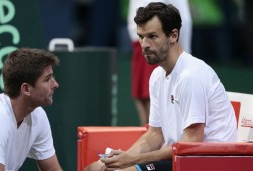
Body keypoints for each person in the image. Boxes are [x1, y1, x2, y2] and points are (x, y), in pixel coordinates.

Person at [85, 2, 237, 171]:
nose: (144, 45)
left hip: (206, 162)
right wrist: (123, 158)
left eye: (152, 36)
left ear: (173, 35)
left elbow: (192, 143)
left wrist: (134, 159)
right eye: (141, 37)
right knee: (94, 168)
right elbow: (154, 134)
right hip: (178, 159)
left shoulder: (191, 75)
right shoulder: (157, 76)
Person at [128, 0, 192, 126]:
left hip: (159, 42)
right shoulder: (142, 42)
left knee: (154, 102)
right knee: (141, 99)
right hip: (138, 45)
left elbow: (184, 18)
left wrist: (187, 54)